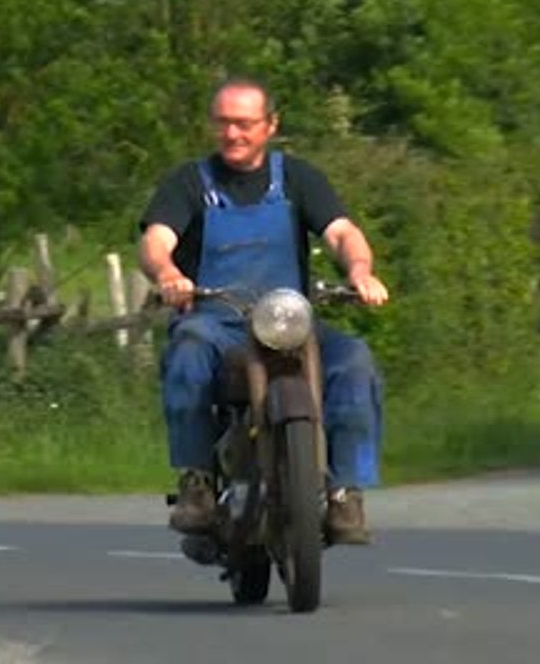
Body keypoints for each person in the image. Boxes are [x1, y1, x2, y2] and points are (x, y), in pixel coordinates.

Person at [137, 77, 388, 545]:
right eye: (224, 123)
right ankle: (198, 482)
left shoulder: (297, 179)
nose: (233, 134)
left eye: (245, 124)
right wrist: (168, 273)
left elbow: (341, 232)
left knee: (354, 360)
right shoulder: (190, 183)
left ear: (270, 125)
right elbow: (156, 240)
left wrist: (359, 270)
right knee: (188, 349)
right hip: (218, 321)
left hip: (288, 321)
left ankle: (344, 493)